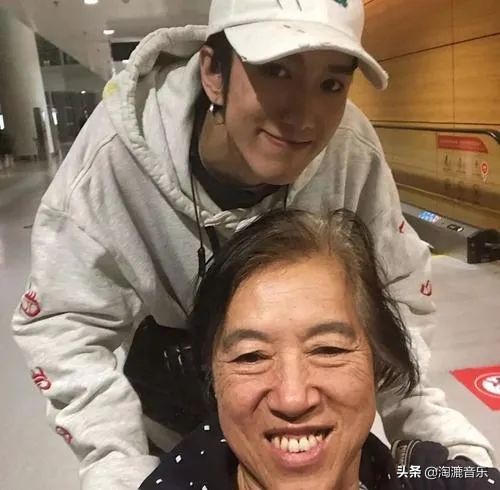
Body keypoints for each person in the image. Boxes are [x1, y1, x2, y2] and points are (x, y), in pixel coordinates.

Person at [11, 0, 494, 488]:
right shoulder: (111, 161)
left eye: (331, 83)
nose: (304, 116)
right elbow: (64, 323)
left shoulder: (349, 151)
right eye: (276, 71)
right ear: (213, 73)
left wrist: (434, 440)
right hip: (171, 416)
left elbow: (396, 299)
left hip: (323, 436)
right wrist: (120, 464)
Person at [141, 209, 500, 490]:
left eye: (328, 350)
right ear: (213, 377)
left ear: (379, 363)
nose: (293, 399)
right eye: (251, 356)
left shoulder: (417, 473)